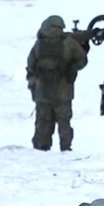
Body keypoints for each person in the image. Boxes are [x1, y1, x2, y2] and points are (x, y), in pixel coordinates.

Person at [26, 15, 88, 152]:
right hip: (63, 92)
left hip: (42, 91)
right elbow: (82, 61)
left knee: (43, 121)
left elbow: (31, 65)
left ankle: (41, 148)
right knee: (64, 121)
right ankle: (65, 148)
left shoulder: (39, 44)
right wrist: (72, 66)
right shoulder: (69, 43)